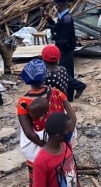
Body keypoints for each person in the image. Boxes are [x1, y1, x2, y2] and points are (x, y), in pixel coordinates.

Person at [17, 59, 76, 187]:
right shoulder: (57, 93)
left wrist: (44, 145)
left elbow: (28, 132)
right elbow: (72, 117)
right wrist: (67, 136)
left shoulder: (23, 102)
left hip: (38, 147)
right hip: (60, 141)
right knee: (67, 173)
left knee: (39, 177)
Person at [45, 0, 86, 102]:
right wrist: (49, 20)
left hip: (65, 48)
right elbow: (58, 28)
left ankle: (79, 86)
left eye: (56, 5)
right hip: (64, 48)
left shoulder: (66, 19)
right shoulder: (61, 16)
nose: (54, 7)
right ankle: (69, 95)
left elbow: (63, 38)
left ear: (60, 5)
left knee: (63, 72)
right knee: (67, 71)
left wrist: (54, 37)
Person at [32, 112, 78, 187]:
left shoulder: (66, 146)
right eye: (69, 131)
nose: (71, 132)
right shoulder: (41, 162)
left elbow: (73, 172)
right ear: (58, 136)